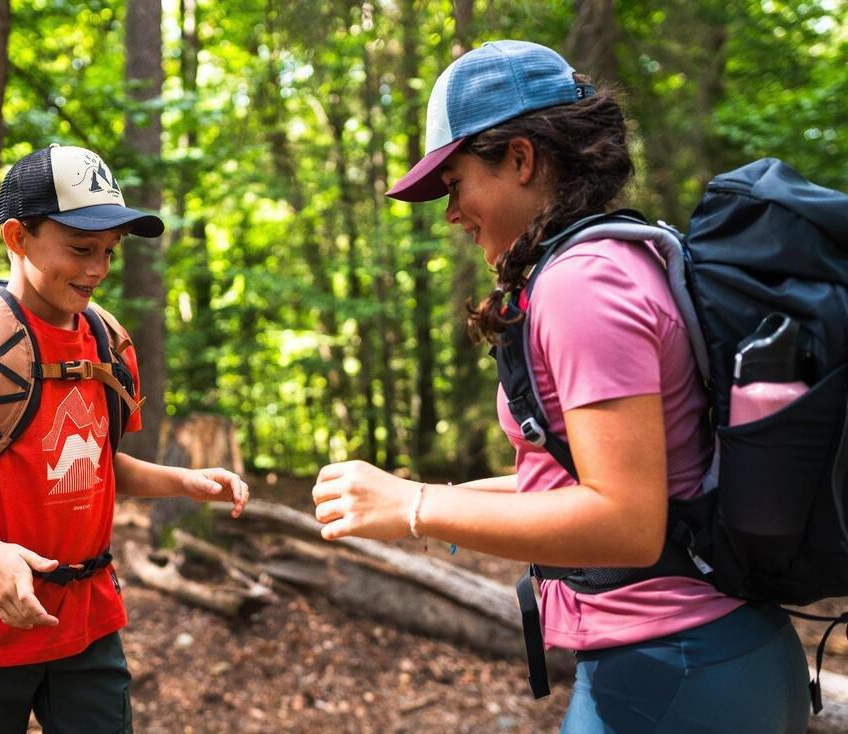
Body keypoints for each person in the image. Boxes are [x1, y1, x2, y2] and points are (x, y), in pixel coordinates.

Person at [311, 41, 810, 733]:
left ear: (520, 158)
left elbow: (627, 523)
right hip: (713, 656)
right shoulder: (620, 254)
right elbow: (580, 480)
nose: (450, 212)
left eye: (455, 182)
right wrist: (427, 501)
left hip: (673, 671)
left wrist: (417, 505)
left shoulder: (583, 283)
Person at [0, 144, 249, 733]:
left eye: (108, 251)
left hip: (88, 627)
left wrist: (186, 482)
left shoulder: (108, 343)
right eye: (80, 249)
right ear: (17, 238)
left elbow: (98, 465)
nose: (97, 269)